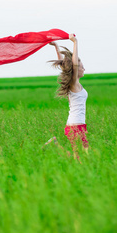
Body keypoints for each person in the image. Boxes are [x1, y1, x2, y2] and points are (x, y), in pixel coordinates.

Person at [45, 33, 88, 162]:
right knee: (83, 159)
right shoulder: (74, 84)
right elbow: (73, 65)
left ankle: (55, 144)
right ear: (76, 70)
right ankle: (55, 145)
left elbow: (66, 66)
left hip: (77, 124)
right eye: (81, 67)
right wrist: (75, 42)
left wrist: (56, 47)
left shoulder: (75, 84)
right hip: (76, 125)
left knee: (79, 158)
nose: (84, 69)